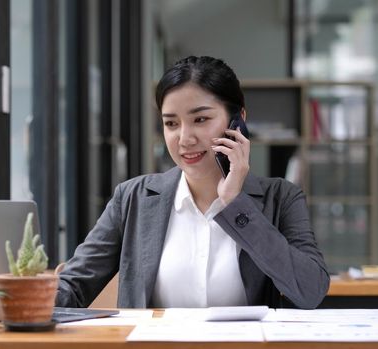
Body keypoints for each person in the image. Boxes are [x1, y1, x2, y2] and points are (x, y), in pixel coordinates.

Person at [55, 55, 329, 309]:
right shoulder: (132, 198)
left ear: (238, 121)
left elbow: (310, 291)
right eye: (171, 124)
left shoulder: (281, 198)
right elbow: (75, 286)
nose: (184, 139)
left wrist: (235, 204)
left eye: (200, 119)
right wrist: (18, 296)